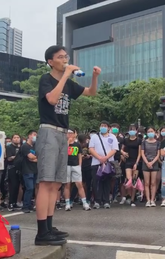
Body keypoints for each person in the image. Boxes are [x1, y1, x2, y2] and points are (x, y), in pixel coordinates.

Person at [35, 45, 101, 246]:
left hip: (64, 134)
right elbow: (53, 99)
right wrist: (66, 75)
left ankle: (49, 226)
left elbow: (91, 92)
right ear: (50, 61)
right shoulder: (46, 80)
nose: (65, 60)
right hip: (48, 131)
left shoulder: (70, 83)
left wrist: (94, 76)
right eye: (61, 57)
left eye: (66, 57)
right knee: (46, 182)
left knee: (56, 184)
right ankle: (41, 232)